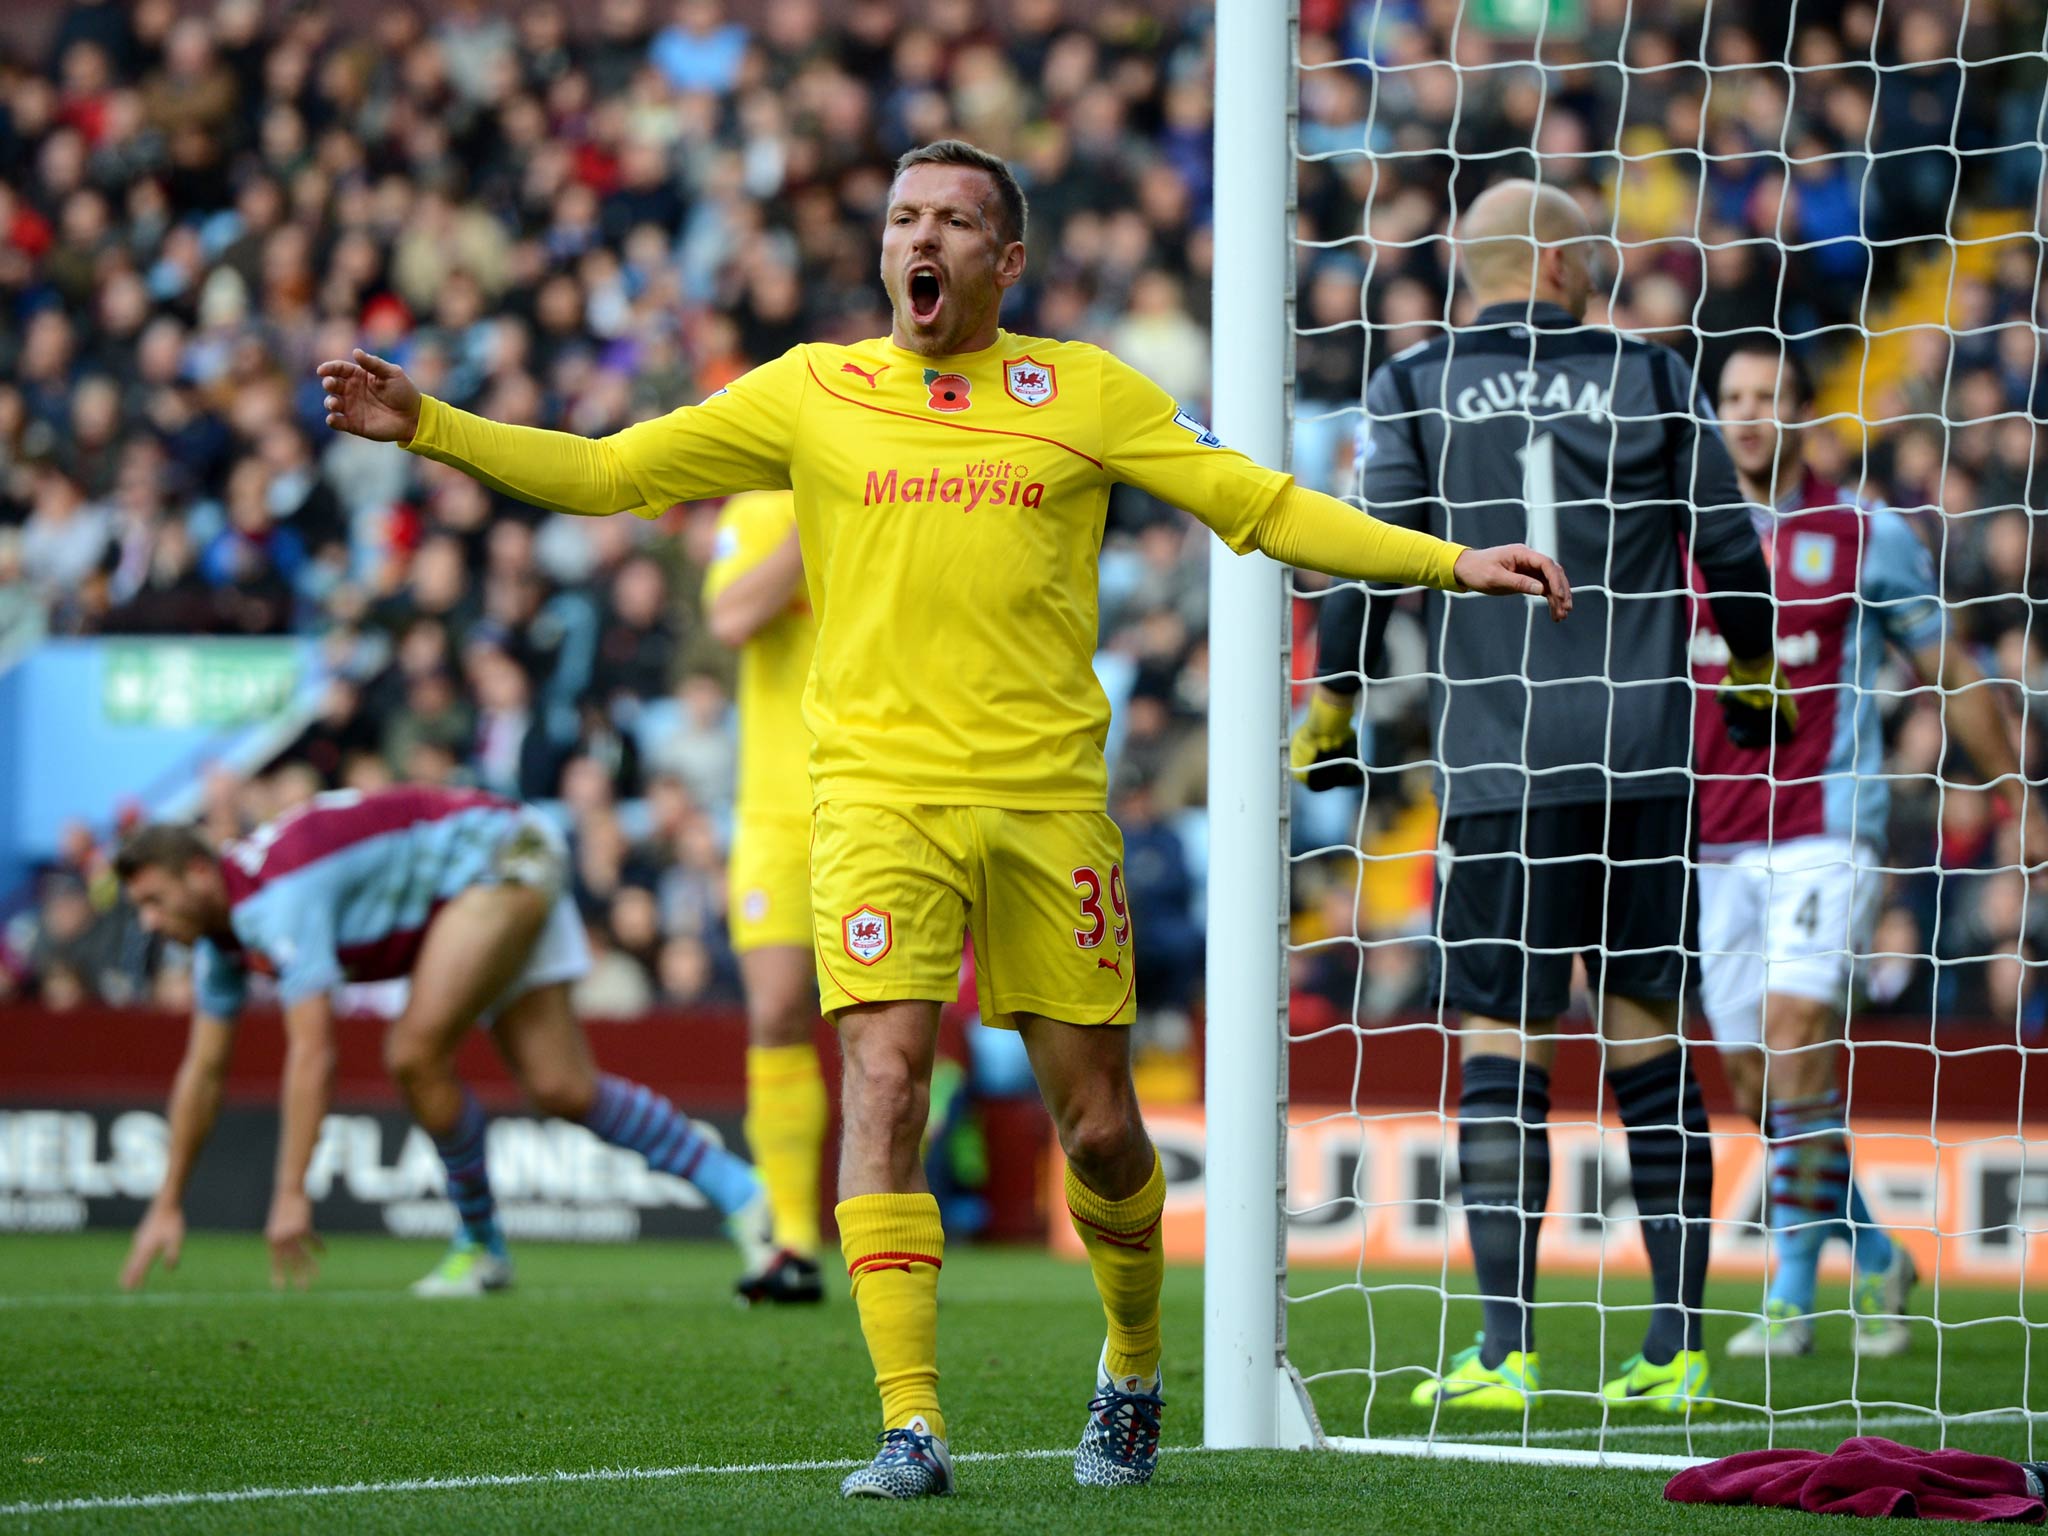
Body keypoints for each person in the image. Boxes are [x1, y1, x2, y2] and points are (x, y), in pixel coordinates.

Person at [317, 139, 1568, 1498]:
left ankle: (1134, 1362)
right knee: (884, 1081)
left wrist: (1453, 562)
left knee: (1096, 1126)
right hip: (874, 800)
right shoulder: (814, 388)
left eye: (957, 220)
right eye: (905, 215)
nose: (924, 236)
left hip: (1045, 805)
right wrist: (429, 424)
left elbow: (1256, 507)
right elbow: (614, 471)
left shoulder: (1082, 390)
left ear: (1004, 259)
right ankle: (909, 1421)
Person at [1296, 178, 1788, 1416]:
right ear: (1563, 259)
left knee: (1504, 1051)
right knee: (1646, 1045)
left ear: (1472, 271)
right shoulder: (1650, 372)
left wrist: (1334, 704)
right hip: (1640, 754)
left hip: (1502, 766)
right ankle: (1674, 1349)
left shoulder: (1412, 381)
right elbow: (1727, 547)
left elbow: (1367, 556)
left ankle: (1506, 1350)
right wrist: (1757, 676)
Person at [1694, 338, 2046, 1358]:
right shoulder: (1678, 534)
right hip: (1713, 842)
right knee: (1760, 1081)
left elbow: (1948, 666)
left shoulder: (1862, 534)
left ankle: (1789, 1296)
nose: (1750, 414)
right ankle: (1876, 1250)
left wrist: (2015, 792)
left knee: (1797, 1030)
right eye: (1734, 397)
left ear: (1803, 413)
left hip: (1827, 826)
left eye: (1770, 397)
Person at [114, 785, 775, 1298]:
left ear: (199, 875)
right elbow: (203, 1071)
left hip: (501, 854)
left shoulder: (278, 899)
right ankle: (743, 1191)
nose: (149, 921)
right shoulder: (221, 942)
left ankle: (481, 1244)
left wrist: (290, 1194)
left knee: (412, 1052)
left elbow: (315, 1052)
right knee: (561, 1087)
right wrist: (168, 1203)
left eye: (153, 900)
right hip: (484, 868)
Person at [703, 489, 829, 1305]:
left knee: (886, 1025)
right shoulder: (757, 512)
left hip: (883, 796)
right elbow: (730, 619)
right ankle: (792, 1239)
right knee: (779, 1009)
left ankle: (891, 1228)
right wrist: (816, 522)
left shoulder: (908, 483)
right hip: (776, 815)